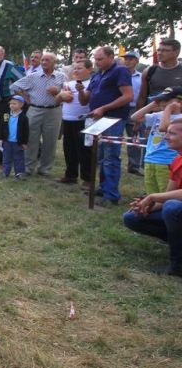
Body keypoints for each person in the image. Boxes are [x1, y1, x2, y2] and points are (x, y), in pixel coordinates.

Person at [123, 118, 182, 277]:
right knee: (132, 217)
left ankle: (178, 265)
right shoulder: (177, 159)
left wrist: (153, 197)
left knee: (172, 208)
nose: (166, 137)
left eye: (171, 133)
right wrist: (147, 206)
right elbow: (169, 194)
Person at [78, 46, 133, 206]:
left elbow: (128, 96)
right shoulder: (96, 75)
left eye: (100, 59)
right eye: (95, 59)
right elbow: (84, 100)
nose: (97, 62)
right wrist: (81, 91)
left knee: (110, 156)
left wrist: (104, 108)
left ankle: (112, 194)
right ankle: (103, 187)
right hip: (97, 120)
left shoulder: (120, 71)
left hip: (113, 119)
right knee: (100, 155)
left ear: (111, 57)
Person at [10, 52, 67, 176]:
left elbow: (68, 92)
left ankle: (45, 169)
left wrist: (58, 91)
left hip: (54, 111)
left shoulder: (61, 76)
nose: (44, 62)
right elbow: (14, 86)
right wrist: (25, 97)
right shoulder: (33, 76)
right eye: (43, 60)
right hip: (35, 110)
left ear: (54, 62)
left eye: (47, 60)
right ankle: (28, 167)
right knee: (31, 139)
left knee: (50, 141)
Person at [130, 89, 182, 195]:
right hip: (150, 159)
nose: (162, 103)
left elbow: (164, 128)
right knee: (151, 192)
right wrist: (153, 104)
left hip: (167, 161)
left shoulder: (179, 118)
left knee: (164, 194)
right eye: (161, 100)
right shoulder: (158, 115)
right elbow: (134, 117)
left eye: (166, 100)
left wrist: (168, 110)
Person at [56, 59, 93, 189]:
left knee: (84, 150)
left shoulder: (91, 83)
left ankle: (87, 178)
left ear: (89, 69)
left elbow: (86, 100)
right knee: (69, 149)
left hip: (83, 120)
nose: (76, 71)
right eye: (75, 68)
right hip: (67, 119)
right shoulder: (69, 83)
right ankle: (70, 174)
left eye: (80, 68)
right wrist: (61, 95)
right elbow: (57, 100)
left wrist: (81, 91)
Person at [137, 38, 182, 109]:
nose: (159, 53)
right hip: (152, 116)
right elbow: (142, 97)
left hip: (177, 117)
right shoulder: (149, 71)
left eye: (165, 50)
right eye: (158, 50)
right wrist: (139, 117)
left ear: (176, 52)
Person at [121, 50, 144, 176]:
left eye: (131, 59)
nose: (128, 61)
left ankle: (134, 165)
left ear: (136, 61)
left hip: (134, 109)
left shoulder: (141, 77)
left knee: (134, 137)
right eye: (126, 59)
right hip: (119, 108)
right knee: (111, 136)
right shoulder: (119, 74)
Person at [0, 95, 29, 180]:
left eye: (14, 104)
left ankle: (19, 173)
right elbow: (2, 127)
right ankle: (5, 172)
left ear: (21, 105)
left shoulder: (23, 117)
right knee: (6, 157)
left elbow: (26, 131)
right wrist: (1, 138)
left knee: (18, 158)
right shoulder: (6, 115)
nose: (12, 105)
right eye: (11, 104)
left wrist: (24, 142)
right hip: (7, 141)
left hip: (18, 142)